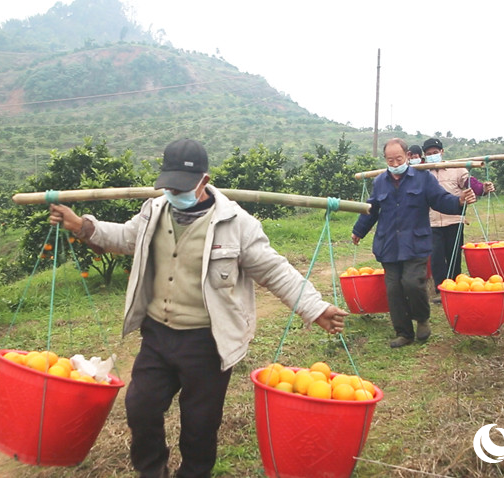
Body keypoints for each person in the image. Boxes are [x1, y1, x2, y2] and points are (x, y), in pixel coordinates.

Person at [48, 138, 348, 478]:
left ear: (204, 180)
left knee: (200, 423)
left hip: (207, 342)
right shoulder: (153, 211)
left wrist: (314, 308)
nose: (174, 193)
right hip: (158, 335)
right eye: (169, 186)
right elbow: (125, 238)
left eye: (181, 187)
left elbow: (275, 271)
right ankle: (152, 471)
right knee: (140, 407)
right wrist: (82, 226)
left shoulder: (236, 223)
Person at [351, 138, 476, 348]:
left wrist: (458, 201)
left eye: (398, 159)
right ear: (385, 159)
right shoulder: (380, 182)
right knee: (393, 289)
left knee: (412, 283)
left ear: (408, 156)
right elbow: (371, 209)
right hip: (388, 244)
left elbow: (439, 199)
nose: (394, 164)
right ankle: (403, 332)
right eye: (390, 160)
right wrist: (359, 231)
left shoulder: (423, 178)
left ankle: (422, 318)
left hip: (415, 243)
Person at [422, 138, 495, 303]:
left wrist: (483, 188)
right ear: (425, 156)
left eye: (435, 152)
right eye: (429, 154)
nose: (432, 155)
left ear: (442, 152)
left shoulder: (456, 169)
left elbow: (470, 183)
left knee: (453, 256)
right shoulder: (423, 173)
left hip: (454, 219)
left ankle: (456, 287)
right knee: (436, 257)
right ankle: (442, 290)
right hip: (432, 222)